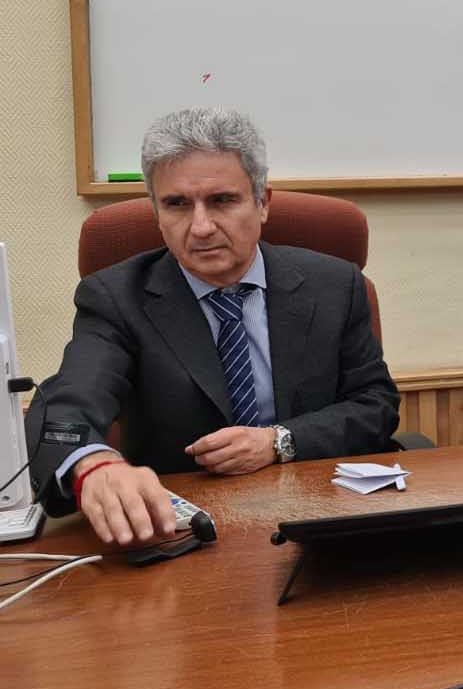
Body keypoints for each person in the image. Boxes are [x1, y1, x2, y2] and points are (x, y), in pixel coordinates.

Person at [26, 107, 400, 545]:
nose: (201, 227)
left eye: (223, 200)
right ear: (156, 213)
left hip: (322, 519)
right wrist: (93, 465)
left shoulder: (335, 285)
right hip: (187, 534)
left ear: (263, 204)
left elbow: (375, 405)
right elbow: (64, 407)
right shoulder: (116, 298)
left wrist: (279, 441)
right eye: (177, 204)